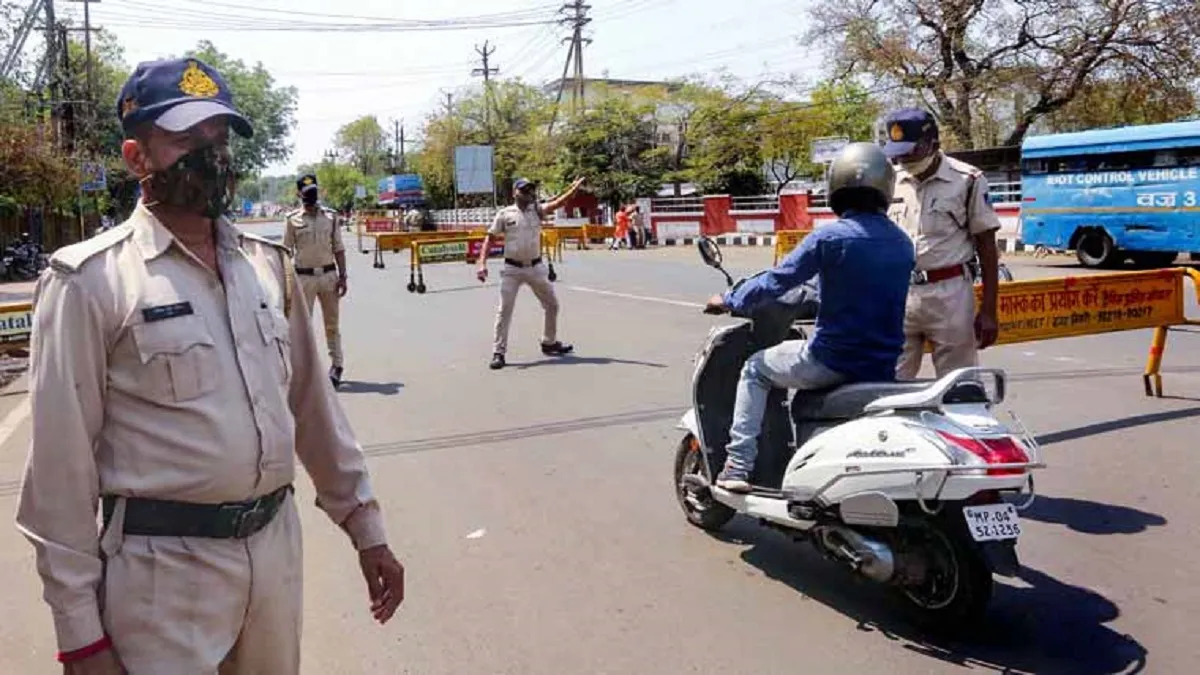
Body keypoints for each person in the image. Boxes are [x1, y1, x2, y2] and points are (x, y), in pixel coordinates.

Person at [15, 57, 405, 675]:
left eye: (219, 137)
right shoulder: (90, 281)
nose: (211, 155)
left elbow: (314, 411)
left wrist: (366, 526)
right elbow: (59, 475)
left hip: (273, 553)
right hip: (162, 575)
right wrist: (80, 635)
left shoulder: (266, 267)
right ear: (137, 157)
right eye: (186, 139)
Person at [705, 143, 915, 492]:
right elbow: (852, 286)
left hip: (830, 361)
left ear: (836, 187)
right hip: (881, 366)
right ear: (885, 188)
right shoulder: (902, 243)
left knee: (754, 369)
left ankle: (737, 467)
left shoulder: (829, 237)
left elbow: (778, 280)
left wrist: (729, 299)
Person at [880, 108, 1002, 379]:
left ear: (933, 143)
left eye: (910, 151)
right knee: (889, 382)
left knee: (958, 383)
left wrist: (989, 310)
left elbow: (987, 247)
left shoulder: (967, 180)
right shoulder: (888, 181)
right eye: (898, 153)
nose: (903, 158)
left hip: (950, 294)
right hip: (899, 293)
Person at [477, 176, 585, 370]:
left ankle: (549, 342)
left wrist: (573, 189)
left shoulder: (537, 210)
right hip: (512, 269)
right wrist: (481, 263)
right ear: (515, 193)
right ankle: (498, 352)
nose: (528, 193)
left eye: (530, 190)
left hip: (535, 267)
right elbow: (490, 238)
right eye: (524, 190)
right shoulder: (504, 214)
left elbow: (558, 203)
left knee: (552, 305)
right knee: (504, 310)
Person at [283, 173, 349, 387]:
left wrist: (343, 276)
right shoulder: (292, 220)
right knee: (303, 326)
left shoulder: (330, 217)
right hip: (304, 278)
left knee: (332, 324)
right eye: (307, 194)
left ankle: (337, 365)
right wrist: (286, 283)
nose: (312, 197)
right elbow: (285, 253)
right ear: (299, 194)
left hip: (329, 277)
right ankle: (306, 370)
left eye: (314, 193)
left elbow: (339, 248)